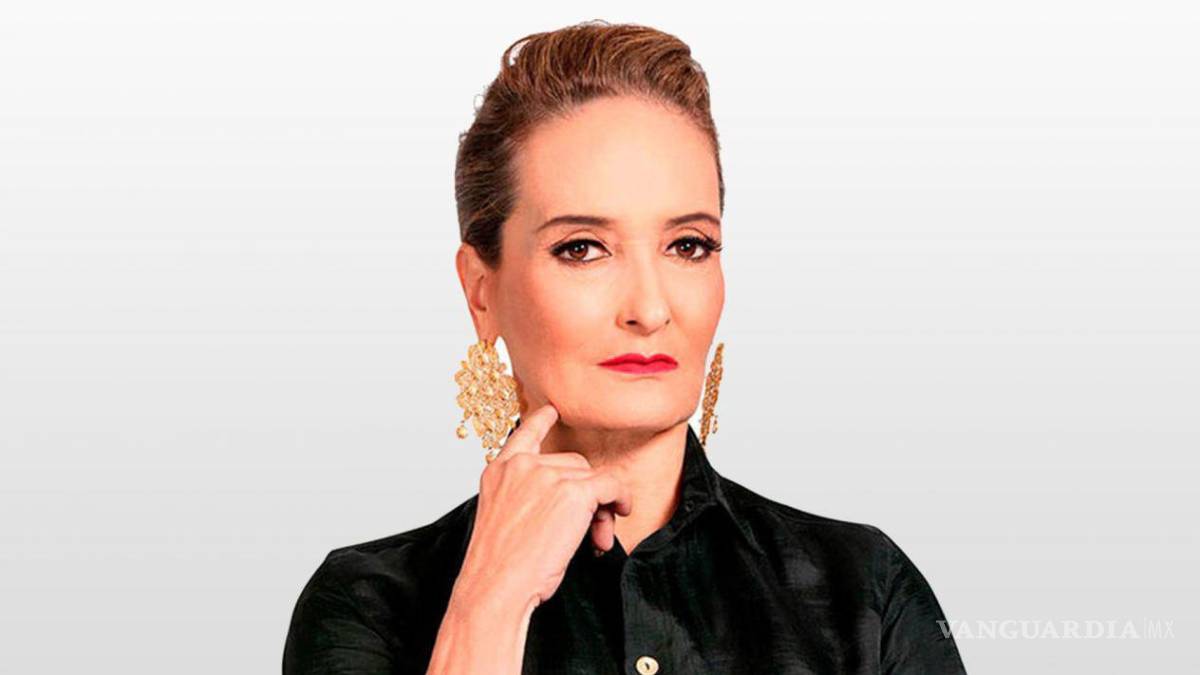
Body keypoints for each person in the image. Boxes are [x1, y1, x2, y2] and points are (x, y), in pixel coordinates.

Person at [283, 20, 968, 675]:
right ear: (481, 292)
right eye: (583, 248)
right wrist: (491, 602)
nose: (649, 308)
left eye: (688, 245)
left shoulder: (863, 590)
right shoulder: (369, 603)